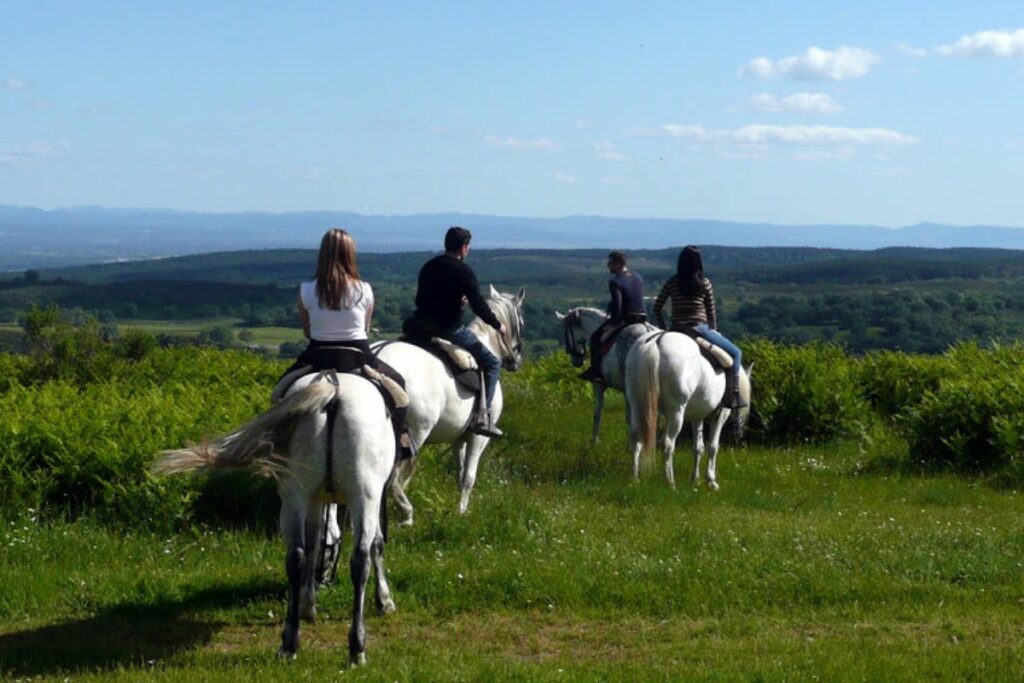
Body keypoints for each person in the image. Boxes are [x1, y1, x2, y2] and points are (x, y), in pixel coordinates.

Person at [280, 228, 413, 456]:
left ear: (322, 254)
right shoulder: (364, 290)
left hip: (317, 355)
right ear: (350, 254)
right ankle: (400, 443)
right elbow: (366, 329)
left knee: (280, 392)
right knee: (398, 388)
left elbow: (307, 331)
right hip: (358, 356)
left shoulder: (305, 290)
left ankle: (277, 446)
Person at [405, 226, 506, 438]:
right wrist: (498, 325)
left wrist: (456, 302)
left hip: (419, 325)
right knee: (492, 363)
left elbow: (422, 299)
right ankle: (483, 417)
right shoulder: (464, 271)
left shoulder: (429, 266)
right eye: (468, 246)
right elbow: (479, 305)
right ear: (464, 247)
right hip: (448, 328)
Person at [653, 245, 747, 409]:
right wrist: (713, 330)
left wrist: (664, 329)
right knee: (736, 353)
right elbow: (711, 311)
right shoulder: (704, 283)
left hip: (676, 329)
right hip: (699, 329)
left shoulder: (672, 283)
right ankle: (733, 395)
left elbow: (657, 307)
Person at [578, 250, 647, 384]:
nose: (608, 266)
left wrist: (612, 323)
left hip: (627, 319)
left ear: (618, 264)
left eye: (610, 263)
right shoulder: (638, 277)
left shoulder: (616, 282)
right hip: (642, 318)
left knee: (595, 338)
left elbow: (618, 307)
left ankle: (596, 372)